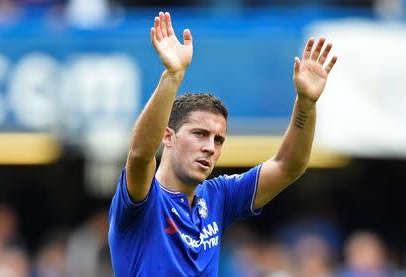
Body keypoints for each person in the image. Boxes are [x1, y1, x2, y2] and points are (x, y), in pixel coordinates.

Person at [108, 11, 337, 276]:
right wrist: (172, 76)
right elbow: (140, 153)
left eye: (218, 139)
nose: (210, 147)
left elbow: (288, 166)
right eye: (199, 134)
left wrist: (306, 105)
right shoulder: (144, 199)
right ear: (168, 136)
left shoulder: (218, 197)